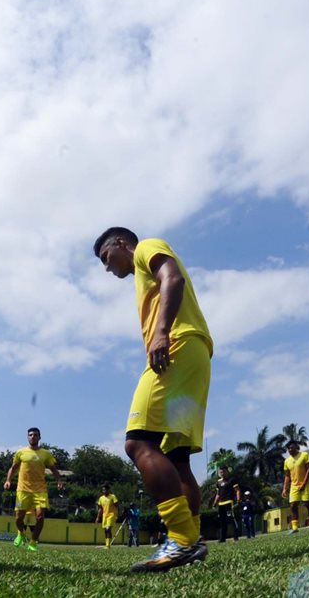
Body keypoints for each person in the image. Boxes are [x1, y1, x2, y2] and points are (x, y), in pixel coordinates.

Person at [94, 227, 213, 573]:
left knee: (138, 443)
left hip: (176, 346)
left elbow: (172, 278)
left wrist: (161, 333)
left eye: (106, 258)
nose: (107, 267)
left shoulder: (147, 247)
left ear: (121, 244)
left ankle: (181, 538)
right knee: (177, 459)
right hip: (194, 352)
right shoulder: (140, 274)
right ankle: (192, 539)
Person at [4, 426, 64, 552]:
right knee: (18, 518)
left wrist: (59, 480)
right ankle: (21, 533)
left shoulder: (46, 453)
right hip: (22, 490)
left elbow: (53, 469)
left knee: (40, 517)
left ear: (39, 437)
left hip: (40, 490)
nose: (33, 437)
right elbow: (13, 468)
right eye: (30, 435)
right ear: (27, 437)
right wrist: (8, 480)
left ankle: (33, 542)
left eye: (35, 435)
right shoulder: (20, 452)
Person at [282, 440, 309, 532]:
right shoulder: (287, 461)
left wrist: (303, 484)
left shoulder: (304, 455)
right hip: (294, 486)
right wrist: (284, 489)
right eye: (288, 448)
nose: (290, 449)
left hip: (305, 483)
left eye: (292, 447)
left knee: (308, 504)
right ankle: (295, 528)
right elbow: (287, 476)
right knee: (293, 506)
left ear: (296, 447)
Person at [212, 466, 241, 542]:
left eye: (224, 472)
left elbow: (237, 490)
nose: (222, 473)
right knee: (222, 522)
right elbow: (218, 494)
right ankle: (222, 539)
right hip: (221, 504)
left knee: (231, 520)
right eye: (221, 472)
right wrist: (215, 503)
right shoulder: (218, 482)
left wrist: (238, 500)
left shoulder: (232, 480)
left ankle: (235, 537)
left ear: (227, 472)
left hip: (229, 502)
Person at [95, 484, 119, 549]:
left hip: (111, 515)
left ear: (108, 490)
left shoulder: (112, 496)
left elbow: (117, 506)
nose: (104, 491)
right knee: (105, 530)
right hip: (104, 516)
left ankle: (108, 546)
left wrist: (117, 515)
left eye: (105, 490)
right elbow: (100, 509)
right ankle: (107, 545)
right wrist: (98, 517)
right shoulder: (101, 498)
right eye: (103, 490)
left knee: (108, 529)